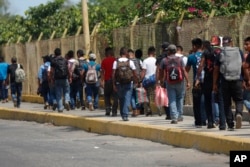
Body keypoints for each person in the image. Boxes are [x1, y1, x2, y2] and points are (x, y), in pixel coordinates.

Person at [213, 36, 246, 130]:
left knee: (226, 103)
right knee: (239, 100)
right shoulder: (238, 51)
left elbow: (216, 69)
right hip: (237, 79)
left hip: (225, 81)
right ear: (231, 42)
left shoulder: (220, 53)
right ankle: (239, 114)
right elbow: (243, 66)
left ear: (223, 43)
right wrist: (245, 79)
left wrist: (214, 84)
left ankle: (230, 123)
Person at [159, 44, 190, 124]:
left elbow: (161, 72)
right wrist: (188, 81)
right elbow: (184, 70)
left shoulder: (164, 60)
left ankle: (174, 118)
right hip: (180, 81)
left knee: (172, 99)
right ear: (175, 51)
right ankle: (180, 115)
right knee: (180, 98)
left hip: (169, 82)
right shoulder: (180, 60)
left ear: (168, 51)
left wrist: (161, 81)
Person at [112, 47, 138, 121]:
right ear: (126, 53)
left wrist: (113, 84)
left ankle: (123, 114)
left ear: (120, 53)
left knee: (121, 99)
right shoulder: (130, 62)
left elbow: (113, 74)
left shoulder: (116, 62)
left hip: (118, 83)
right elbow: (134, 73)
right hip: (129, 83)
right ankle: (125, 115)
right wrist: (136, 81)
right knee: (127, 98)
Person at [186, 38, 205, 128]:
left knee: (197, 102)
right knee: (205, 100)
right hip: (207, 81)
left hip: (196, 81)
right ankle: (205, 119)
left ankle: (198, 121)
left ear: (194, 46)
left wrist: (188, 81)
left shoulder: (191, 57)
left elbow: (186, 70)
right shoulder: (207, 55)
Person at [50, 48, 71, 112]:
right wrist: (70, 77)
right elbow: (68, 69)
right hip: (65, 78)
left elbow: (52, 71)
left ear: (55, 53)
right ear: (60, 53)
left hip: (57, 79)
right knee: (67, 91)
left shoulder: (53, 61)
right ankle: (67, 101)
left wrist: (52, 79)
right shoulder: (65, 60)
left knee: (58, 94)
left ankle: (60, 108)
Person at [100, 47, 118, 116]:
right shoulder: (115, 60)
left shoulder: (104, 61)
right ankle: (114, 110)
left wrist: (102, 81)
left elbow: (102, 72)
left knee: (107, 95)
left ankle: (108, 108)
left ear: (107, 53)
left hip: (107, 81)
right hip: (115, 81)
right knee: (115, 96)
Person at [155, 42, 171, 119]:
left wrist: (157, 80)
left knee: (164, 96)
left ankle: (168, 114)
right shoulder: (172, 56)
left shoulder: (160, 58)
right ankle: (174, 113)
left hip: (163, 79)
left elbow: (158, 70)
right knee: (172, 96)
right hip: (172, 78)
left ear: (162, 49)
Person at [141, 46, 157, 116]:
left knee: (146, 95)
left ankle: (148, 109)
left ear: (148, 53)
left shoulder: (145, 61)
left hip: (147, 80)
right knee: (154, 94)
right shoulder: (156, 60)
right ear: (154, 53)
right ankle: (157, 109)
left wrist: (140, 80)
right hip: (155, 80)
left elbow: (143, 71)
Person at [128, 49, 143, 117]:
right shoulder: (139, 61)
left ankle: (134, 110)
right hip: (138, 81)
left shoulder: (127, 62)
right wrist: (141, 80)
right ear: (133, 54)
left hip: (130, 81)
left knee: (132, 96)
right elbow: (143, 69)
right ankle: (138, 110)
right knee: (138, 96)